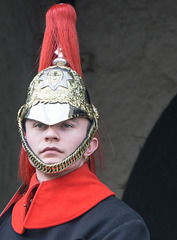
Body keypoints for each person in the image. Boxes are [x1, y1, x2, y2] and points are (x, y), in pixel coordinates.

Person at [0, 4, 150, 240]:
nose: (50, 134)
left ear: (91, 143)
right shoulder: (8, 220)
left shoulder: (118, 226)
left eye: (66, 125)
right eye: (39, 124)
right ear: (24, 136)